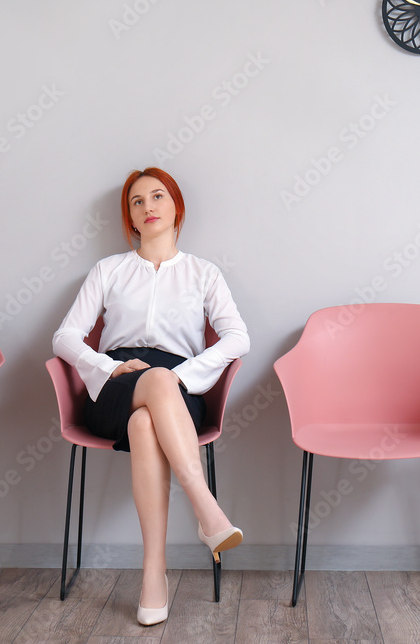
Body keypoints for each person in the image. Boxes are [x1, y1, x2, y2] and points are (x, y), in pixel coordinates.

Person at [52, 168, 249, 626]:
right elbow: (65, 338)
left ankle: (153, 575)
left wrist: (184, 374)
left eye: (157, 196)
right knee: (149, 389)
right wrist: (111, 366)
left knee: (148, 418)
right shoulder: (109, 270)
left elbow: (237, 338)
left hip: (179, 389)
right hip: (115, 388)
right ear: (131, 221)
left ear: (176, 207)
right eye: (137, 202)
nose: (148, 206)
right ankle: (205, 507)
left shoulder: (204, 273)